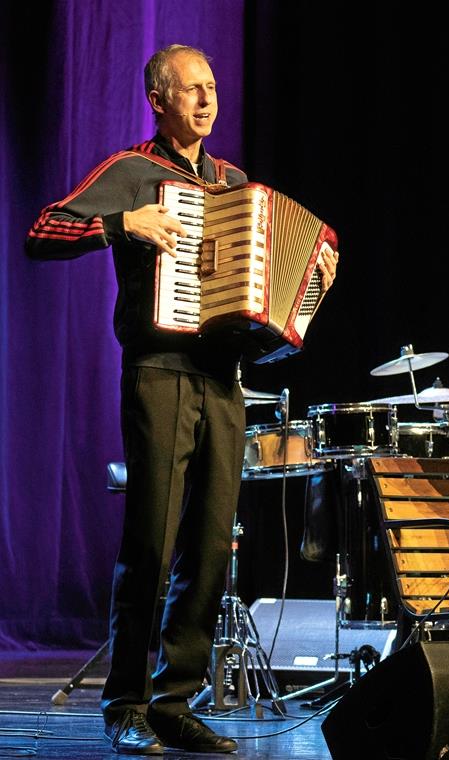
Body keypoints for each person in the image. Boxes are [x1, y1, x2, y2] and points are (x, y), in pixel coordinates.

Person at [26, 45, 337, 755]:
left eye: (212, 87)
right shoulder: (133, 172)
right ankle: (126, 703)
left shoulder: (233, 183)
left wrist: (312, 280)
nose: (206, 99)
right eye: (190, 89)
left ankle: (175, 700)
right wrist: (121, 225)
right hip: (159, 371)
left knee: (209, 548)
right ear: (158, 100)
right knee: (152, 542)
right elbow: (41, 232)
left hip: (223, 378)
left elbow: (266, 312)